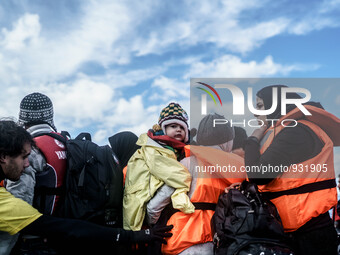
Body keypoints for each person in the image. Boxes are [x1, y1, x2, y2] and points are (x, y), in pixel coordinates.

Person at [0, 120, 172, 254]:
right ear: (3, 156)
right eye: (23, 157)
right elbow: (64, 228)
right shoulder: (5, 205)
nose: (27, 164)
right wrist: (136, 236)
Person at [244, 84, 340, 255]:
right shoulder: (290, 129)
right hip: (300, 231)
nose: (255, 113)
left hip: (309, 236)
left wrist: (252, 139)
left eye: (259, 106)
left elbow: (259, 175)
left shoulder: (295, 131)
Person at [146, 113, 246, 255]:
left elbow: (155, 205)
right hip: (225, 240)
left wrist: (152, 224)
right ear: (228, 140)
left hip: (184, 240)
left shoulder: (187, 163)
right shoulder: (242, 167)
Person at [123, 102, 195, 231]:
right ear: (163, 129)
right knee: (175, 182)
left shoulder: (178, 151)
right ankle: (151, 220)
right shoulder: (154, 148)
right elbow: (176, 175)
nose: (178, 129)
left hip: (161, 206)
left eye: (182, 128)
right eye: (173, 126)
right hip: (147, 204)